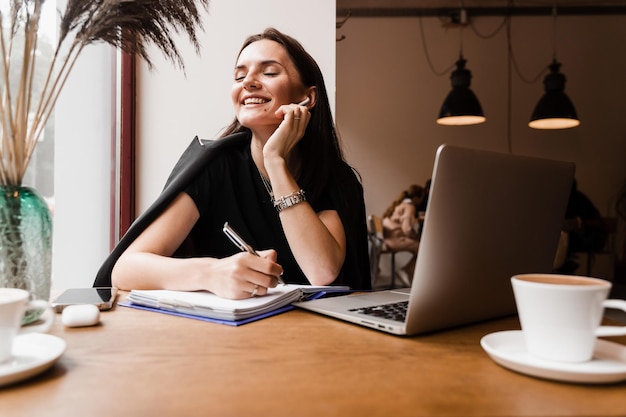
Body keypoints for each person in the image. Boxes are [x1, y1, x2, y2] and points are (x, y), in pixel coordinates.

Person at [93, 28, 371, 298]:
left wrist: (275, 161)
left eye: (269, 72)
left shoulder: (335, 179)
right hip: (225, 337)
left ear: (306, 98)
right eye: (240, 75)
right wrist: (211, 273)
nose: (248, 82)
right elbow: (125, 270)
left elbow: (321, 270)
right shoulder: (216, 165)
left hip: (312, 338)